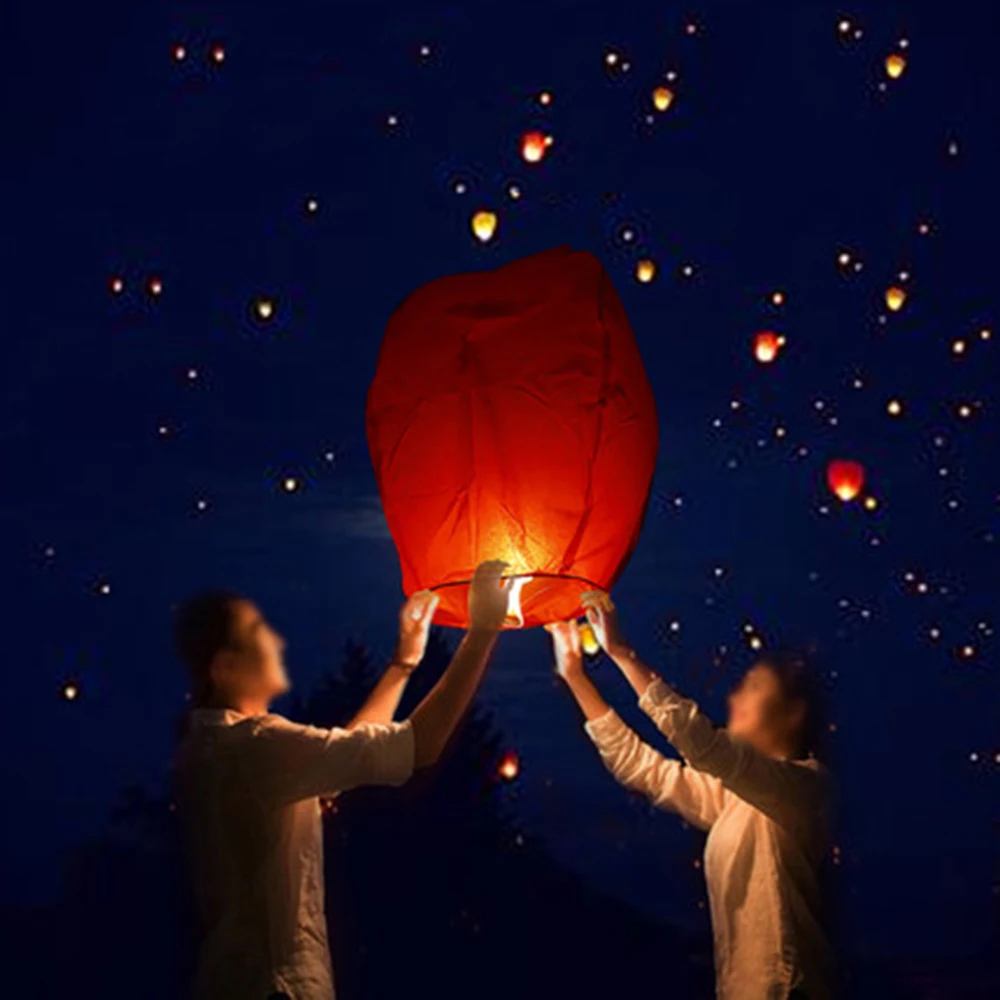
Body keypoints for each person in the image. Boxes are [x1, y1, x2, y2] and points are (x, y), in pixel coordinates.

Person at [173, 560, 513, 1000]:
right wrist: (483, 630)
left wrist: (403, 665)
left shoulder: (215, 746)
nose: (277, 640)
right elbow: (418, 747)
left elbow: (351, 760)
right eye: (258, 631)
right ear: (225, 666)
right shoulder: (254, 745)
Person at [549, 591, 833, 1000]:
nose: (733, 698)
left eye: (752, 687)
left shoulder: (805, 790)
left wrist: (622, 653)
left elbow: (701, 744)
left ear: (794, 713)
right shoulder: (734, 799)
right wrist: (576, 675)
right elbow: (642, 768)